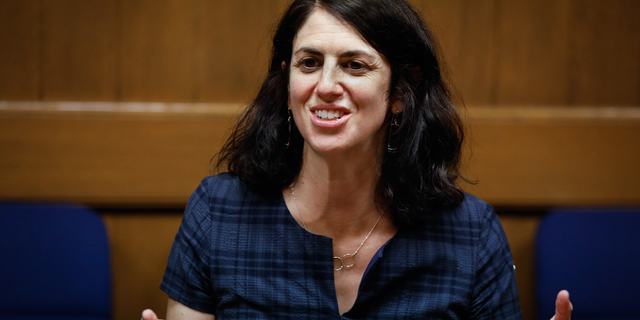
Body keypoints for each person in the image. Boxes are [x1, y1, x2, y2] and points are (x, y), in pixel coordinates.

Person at [143, 0, 573, 318]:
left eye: (354, 65)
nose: (326, 85)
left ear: (401, 92)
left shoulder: (470, 233)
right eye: (309, 62)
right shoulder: (218, 212)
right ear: (287, 80)